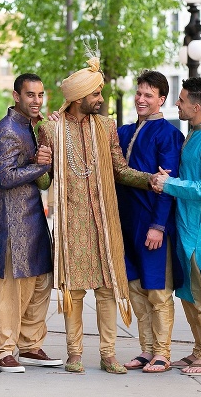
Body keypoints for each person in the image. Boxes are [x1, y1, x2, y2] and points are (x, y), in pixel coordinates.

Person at [38, 50, 151, 375]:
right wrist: (42, 163)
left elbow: (120, 169)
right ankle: (74, 353)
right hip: (72, 222)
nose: (100, 98)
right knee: (73, 289)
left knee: (106, 288)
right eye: (96, 93)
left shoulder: (105, 126)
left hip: (103, 221)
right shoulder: (52, 129)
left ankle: (108, 354)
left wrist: (151, 181)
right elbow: (46, 181)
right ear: (78, 98)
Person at [0, 73, 63, 373]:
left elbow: (41, 180)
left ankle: (29, 345)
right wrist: (38, 165)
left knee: (40, 282)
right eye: (30, 95)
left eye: (40, 95)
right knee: (9, 291)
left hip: (32, 218)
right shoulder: (6, 131)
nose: (36, 101)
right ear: (16, 96)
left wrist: (47, 141)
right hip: (11, 223)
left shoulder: (31, 128)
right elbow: (5, 177)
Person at [151, 77, 201, 376]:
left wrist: (170, 184)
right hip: (187, 227)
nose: (177, 103)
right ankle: (199, 350)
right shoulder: (194, 132)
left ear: (196, 107)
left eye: (181, 100)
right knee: (188, 293)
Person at [117, 70, 185, 373]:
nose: (141, 99)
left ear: (161, 100)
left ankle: (162, 352)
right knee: (136, 289)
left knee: (158, 291)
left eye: (148, 95)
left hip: (152, 226)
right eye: (139, 93)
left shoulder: (169, 134)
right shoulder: (124, 132)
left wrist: (159, 226)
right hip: (126, 224)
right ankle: (146, 350)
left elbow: (168, 184)